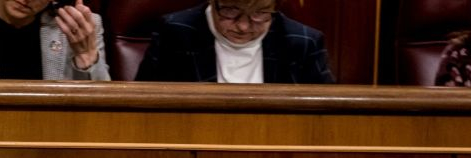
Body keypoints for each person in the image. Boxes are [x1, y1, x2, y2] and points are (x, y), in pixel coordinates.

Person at [135, 0, 334, 84]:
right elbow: (144, 104)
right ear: (213, 2)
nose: (244, 26)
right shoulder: (175, 32)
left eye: (259, 13)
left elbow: (326, 116)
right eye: (231, 11)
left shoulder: (304, 42)